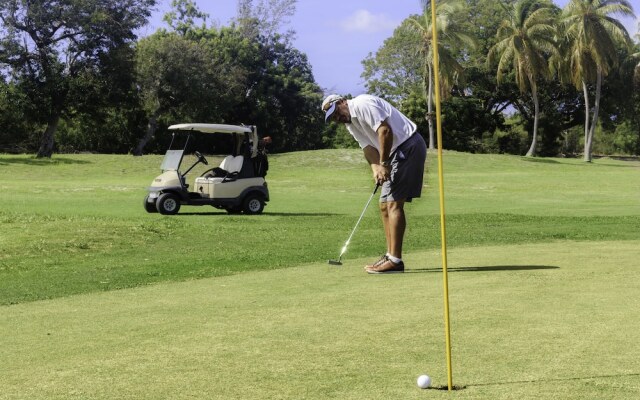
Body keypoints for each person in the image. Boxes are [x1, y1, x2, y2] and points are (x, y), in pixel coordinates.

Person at [322, 94, 427, 274]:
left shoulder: (362, 103)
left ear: (341, 102)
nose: (337, 118)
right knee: (384, 206)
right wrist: (375, 168)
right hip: (394, 153)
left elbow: (384, 131)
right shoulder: (350, 124)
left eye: (336, 113)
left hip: (407, 146)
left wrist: (384, 163)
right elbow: (367, 147)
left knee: (394, 203)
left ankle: (395, 260)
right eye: (333, 118)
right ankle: (390, 256)